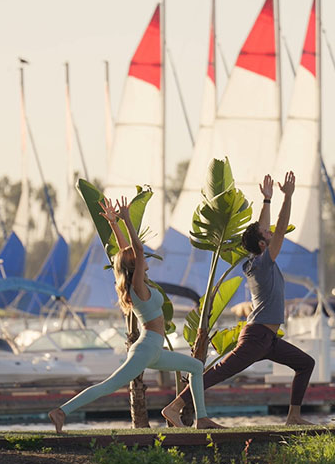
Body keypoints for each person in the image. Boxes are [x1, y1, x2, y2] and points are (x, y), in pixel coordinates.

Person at [49, 197, 221, 433]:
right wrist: (127, 220)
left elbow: (124, 252)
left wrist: (114, 224)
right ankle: (61, 412)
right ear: (134, 265)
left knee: (194, 366)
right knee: (107, 386)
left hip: (153, 349)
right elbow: (137, 249)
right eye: (137, 257)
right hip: (146, 348)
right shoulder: (137, 286)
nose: (142, 256)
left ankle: (201, 418)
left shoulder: (137, 282)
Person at [162, 172, 316, 426]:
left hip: (269, 339)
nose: (272, 233)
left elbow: (263, 230)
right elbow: (275, 231)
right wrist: (287, 197)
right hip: (256, 338)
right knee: (219, 373)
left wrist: (267, 200)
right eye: (267, 235)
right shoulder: (263, 264)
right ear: (263, 245)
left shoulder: (260, 259)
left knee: (305, 364)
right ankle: (175, 406)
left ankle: (294, 416)